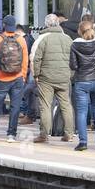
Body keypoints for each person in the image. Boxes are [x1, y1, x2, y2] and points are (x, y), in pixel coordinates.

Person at [31, 15, 74, 144]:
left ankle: (44, 135)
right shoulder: (68, 38)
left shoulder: (43, 39)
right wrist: (70, 74)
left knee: (45, 105)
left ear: (47, 25)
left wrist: (36, 75)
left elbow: (36, 58)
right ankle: (69, 134)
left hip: (46, 78)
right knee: (66, 105)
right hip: (64, 77)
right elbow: (73, 59)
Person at [70, 19, 95, 151]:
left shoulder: (75, 45)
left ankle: (83, 142)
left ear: (80, 31)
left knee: (81, 112)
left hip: (82, 81)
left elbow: (73, 65)